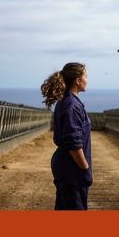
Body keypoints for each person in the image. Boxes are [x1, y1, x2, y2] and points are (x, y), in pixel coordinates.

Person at [40, 62, 92, 210]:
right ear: (77, 80)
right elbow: (73, 143)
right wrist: (85, 168)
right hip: (72, 167)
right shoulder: (71, 105)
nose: (87, 80)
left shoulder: (68, 102)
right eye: (86, 76)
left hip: (67, 166)